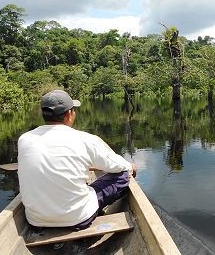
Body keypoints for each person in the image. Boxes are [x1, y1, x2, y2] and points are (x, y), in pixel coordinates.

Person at [18, 89, 137, 229]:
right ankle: (90, 209)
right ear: (69, 114)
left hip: (36, 221)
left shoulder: (24, 139)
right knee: (122, 175)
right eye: (73, 110)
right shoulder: (84, 139)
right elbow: (117, 166)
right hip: (78, 219)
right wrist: (131, 167)